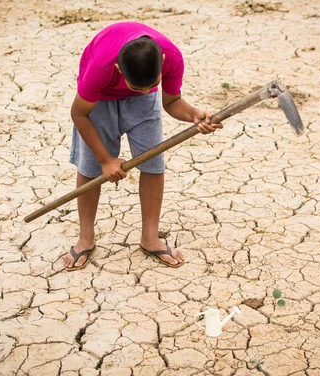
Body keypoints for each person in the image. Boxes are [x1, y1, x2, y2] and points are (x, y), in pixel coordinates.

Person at [63, 22, 222, 271]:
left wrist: (193, 115)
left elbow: (172, 102)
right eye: (137, 87)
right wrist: (105, 160)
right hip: (100, 102)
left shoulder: (171, 58)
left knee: (153, 164)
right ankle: (86, 237)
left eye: (153, 84)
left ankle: (150, 237)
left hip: (143, 106)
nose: (147, 90)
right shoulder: (101, 68)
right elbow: (79, 114)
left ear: (162, 64)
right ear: (119, 69)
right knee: (90, 167)